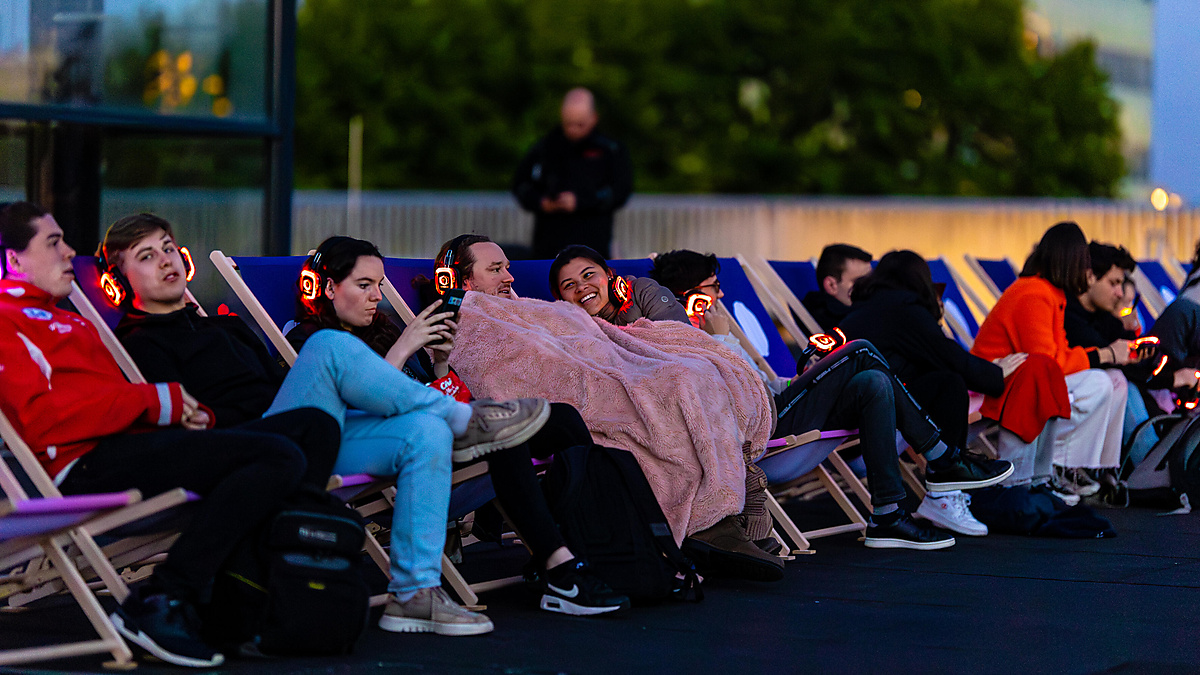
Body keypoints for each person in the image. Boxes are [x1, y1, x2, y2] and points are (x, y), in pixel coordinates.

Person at [101, 217, 557, 633]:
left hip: (300, 435)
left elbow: (275, 384)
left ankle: (415, 594)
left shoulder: (227, 328)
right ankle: (464, 418)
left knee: (426, 433)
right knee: (325, 346)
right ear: (119, 281)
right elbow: (172, 422)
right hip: (245, 449)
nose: (165, 261)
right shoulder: (139, 343)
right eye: (146, 256)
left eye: (168, 248)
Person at [0, 202, 339, 667]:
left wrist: (170, 415)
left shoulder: (72, 320)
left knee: (314, 427)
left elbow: (112, 404)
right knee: (275, 457)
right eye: (53, 243)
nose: (69, 251)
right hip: (80, 467)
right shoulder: (6, 321)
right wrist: (159, 403)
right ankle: (162, 600)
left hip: (126, 446)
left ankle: (253, 594)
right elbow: (42, 420)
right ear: (13, 261)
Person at [284, 235, 631, 615]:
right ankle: (560, 567)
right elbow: (368, 407)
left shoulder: (379, 331)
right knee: (504, 438)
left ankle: (590, 547)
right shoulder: (313, 341)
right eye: (364, 285)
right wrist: (402, 349)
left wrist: (440, 365)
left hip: (435, 432)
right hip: (393, 454)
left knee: (561, 417)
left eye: (379, 286)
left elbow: (425, 392)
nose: (376, 297)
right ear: (327, 287)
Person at [648, 249, 1015, 541]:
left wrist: (803, 381)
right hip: (763, 425)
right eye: (713, 287)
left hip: (778, 403)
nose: (720, 294)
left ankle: (888, 514)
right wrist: (723, 337)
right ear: (689, 296)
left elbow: (764, 383)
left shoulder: (711, 330)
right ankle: (942, 457)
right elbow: (736, 393)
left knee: (873, 380)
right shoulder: (681, 338)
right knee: (861, 350)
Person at [971, 222, 1133, 501]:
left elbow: (1056, 357)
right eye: (1084, 265)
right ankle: (1058, 465)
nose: (1088, 273)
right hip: (988, 388)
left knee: (1111, 381)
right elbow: (1048, 363)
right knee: (1098, 382)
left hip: (1013, 382)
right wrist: (1104, 355)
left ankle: (1069, 467)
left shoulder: (1048, 294)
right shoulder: (1034, 294)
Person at [512, 88, 633, 259]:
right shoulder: (546, 146)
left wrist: (582, 201)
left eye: (580, 124)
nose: (574, 130)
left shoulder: (610, 150)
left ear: (594, 118)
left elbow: (621, 190)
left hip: (592, 243)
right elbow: (521, 184)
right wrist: (542, 202)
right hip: (549, 244)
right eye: (569, 123)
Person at [550, 244, 689, 326]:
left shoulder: (643, 292)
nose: (581, 287)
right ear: (559, 297)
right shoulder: (562, 327)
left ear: (609, 273)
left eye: (588, 275)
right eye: (569, 285)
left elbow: (683, 343)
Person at [802, 243, 872, 331]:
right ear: (831, 286)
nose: (869, 287)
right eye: (859, 282)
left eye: (870, 280)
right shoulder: (836, 324)